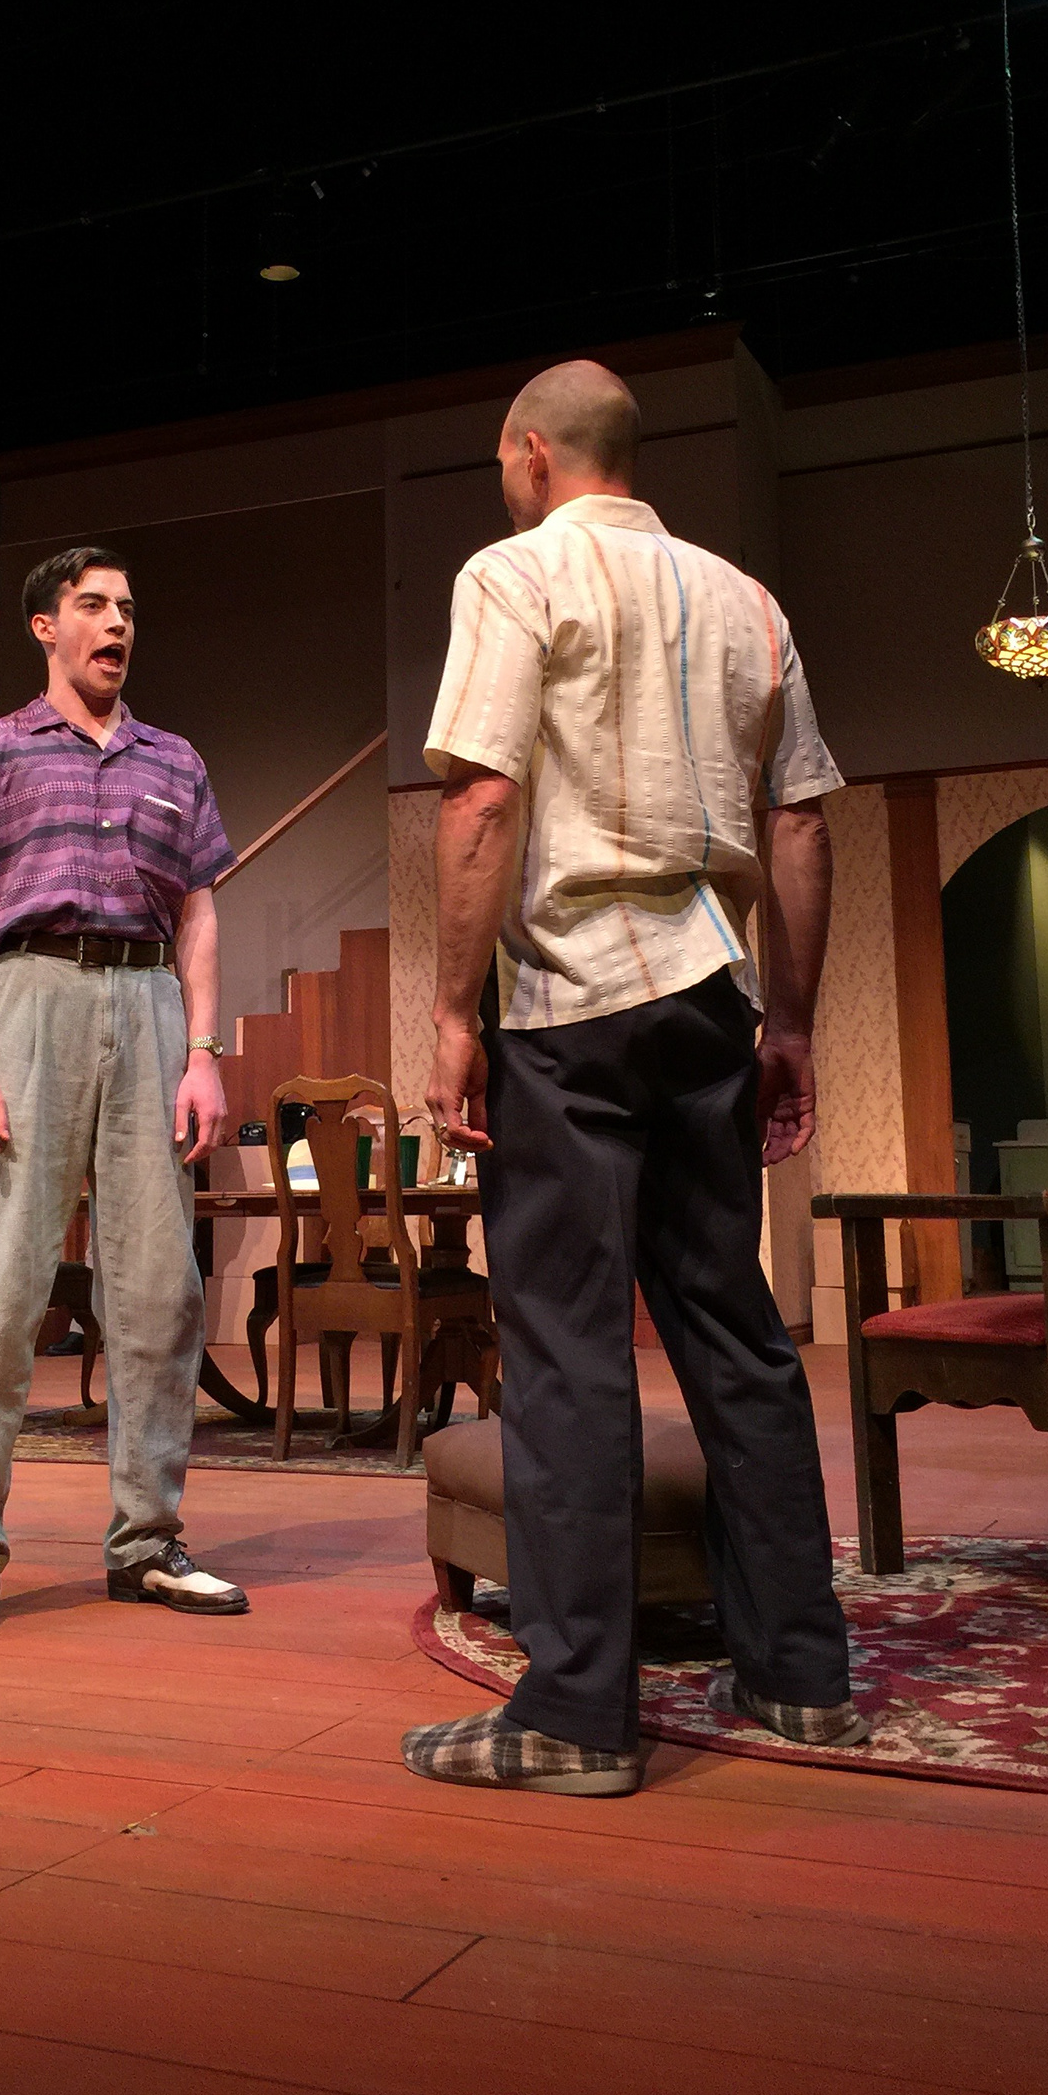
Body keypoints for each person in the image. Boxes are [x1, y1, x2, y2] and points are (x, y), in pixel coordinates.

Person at [402, 359, 863, 1800]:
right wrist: (792, 1024)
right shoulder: (748, 601)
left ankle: (577, 1714)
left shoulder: (514, 573)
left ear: (532, 453)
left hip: (571, 1003)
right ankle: (802, 1677)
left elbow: (483, 795)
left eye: (503, 462)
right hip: (711, 998)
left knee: (565, 1350)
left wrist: (452, 1011)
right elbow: (801, 824)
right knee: (735, 1331)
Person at [0, 543, 246, 1644]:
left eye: (128, 607)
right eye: (94, 605)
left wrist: (203, 1051)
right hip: (28, 1000)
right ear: (45, 626)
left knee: (158, 1291)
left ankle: (148, 1540)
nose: (117, 623)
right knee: (0, 1289)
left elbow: (198, 912)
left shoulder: (174, 760)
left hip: (149, 1001)